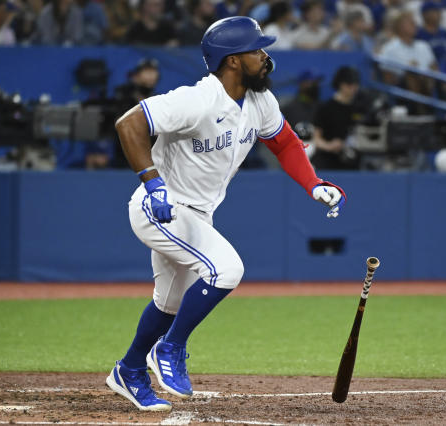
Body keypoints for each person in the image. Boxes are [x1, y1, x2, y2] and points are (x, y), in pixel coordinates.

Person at [105, 16, 346, 411]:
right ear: (233, 60)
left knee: (168, 302)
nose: (265, 56)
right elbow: (128, 123)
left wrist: (313, 183)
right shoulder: (197, 100)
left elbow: (285, 144)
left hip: (197, 214)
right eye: (257, 50)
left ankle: (129, 371)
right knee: (226, 269)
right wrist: (152, 181)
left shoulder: (259, 100)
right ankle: (169, 349)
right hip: (160, 208)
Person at [311, 66, 361, 170]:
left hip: (354, 160)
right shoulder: (326, 108)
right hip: (328, 161)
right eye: (349, 84)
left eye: (356, 84)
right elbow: (316, 138)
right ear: (341, 85)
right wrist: (329, 146)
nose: (353, 88)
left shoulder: (360, 107)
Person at [415, 1, 446, 69]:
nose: (439, 14)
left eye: (439, 11)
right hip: (429, 71)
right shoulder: (418, 34)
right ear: (425, 14)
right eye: (435, 11)